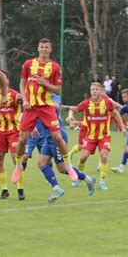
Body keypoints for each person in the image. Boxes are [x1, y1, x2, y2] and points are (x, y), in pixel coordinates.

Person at [11, 38, 78, 186]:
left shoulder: (54, 67)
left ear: (50, 50)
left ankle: (68, 166)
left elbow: (57, 89)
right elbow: (22, 83)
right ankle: (18, 166)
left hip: (46, 107)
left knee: (58, 137)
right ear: (38, 48)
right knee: (22, 139)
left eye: (47, 47)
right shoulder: (28, 64)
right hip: (31, 107)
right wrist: (25, 99)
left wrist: (45, 83)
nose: (44, 49)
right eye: (42, 47)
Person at [34, 94, 95, 202]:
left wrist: (42, 104)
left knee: (62, 168)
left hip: (58, 137)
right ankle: (57, 188)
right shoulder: (35, 97)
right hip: (48, 137)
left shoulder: (53, 96)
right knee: (41, 163)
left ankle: (88, 180)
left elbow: (56, 105)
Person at [67, 82, 127, 190]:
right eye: (92, 89)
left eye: (96, 89)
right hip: (90, 136)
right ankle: (80, 177)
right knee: (83, 157)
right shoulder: (86, 103)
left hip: (104, 135)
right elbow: (73, 109)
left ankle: (102, 182)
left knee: (104, 156)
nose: (94, 91)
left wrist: (122, 127)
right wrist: (70, 116)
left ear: (101, 91)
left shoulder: (107, 102)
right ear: (90, 91)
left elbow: (116, 114)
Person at [0, 87, 25, 200]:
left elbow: (22, 102)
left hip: (14, 131)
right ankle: (4, 190)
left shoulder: (14, 94)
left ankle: (20, 189)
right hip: (0, 132)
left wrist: (21, 99)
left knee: (15, 159)